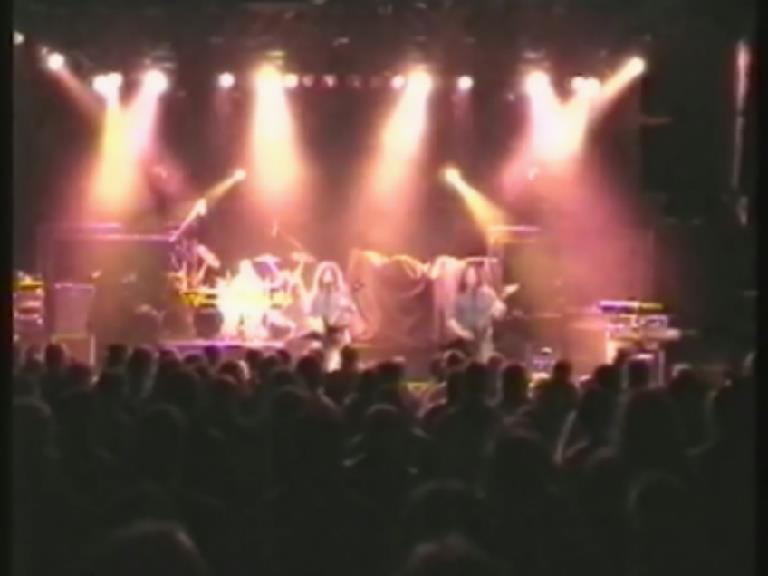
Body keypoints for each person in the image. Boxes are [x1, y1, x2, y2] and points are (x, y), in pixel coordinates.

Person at [446, 264, 506, 361]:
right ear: (464, 277)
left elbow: (498, 310)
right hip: (466, 341)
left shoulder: (487, 293)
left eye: (473, 275)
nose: (471, 278)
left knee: (485, 360)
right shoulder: (459, 298)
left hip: (484, 339)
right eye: (468, 275)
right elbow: (450, 319)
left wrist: (499, 309)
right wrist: (462, 332)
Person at [308, 261, 360, 371]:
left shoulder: (342, 294)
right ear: (320, 277)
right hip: (325, 335)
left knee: (341, 362)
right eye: (325, 273)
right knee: (326, 363)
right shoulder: (316, 296)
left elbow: (351, 310)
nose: (329, 277)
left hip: (340, 334)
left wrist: (347, 307)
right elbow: (313, 315)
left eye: (332, 274)